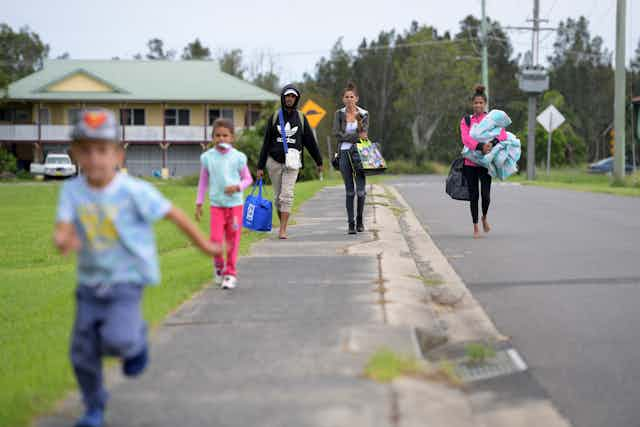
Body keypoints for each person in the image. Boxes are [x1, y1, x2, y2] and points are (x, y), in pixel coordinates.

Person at [54, 109, 220, 427]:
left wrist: (204, 245)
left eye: (102, 151)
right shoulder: (72, 190)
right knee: (82, 355)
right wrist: (63, 240)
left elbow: (174, 214)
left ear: (117, 154)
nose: (94, 159)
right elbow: (63, 226)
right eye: (85, 151)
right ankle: (94, 405)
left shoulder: (132, 190)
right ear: (75, 154)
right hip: (88, 286)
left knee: (118, 340)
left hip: (126, 282)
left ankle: (136, 342)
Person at [257, 84, 323, 239]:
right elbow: (266, 142)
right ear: (283, 97)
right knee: (278, 198)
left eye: (293, 96)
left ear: (297, 98)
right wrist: (260, 166)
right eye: (287, 96)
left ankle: (283, 229)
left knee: (287, 195)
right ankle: (282, 224)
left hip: (293, 162)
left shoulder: (301, 117)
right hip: (274, 161)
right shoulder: (274, 117)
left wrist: (319, 161)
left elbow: (310, 142)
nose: (290, 99)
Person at [195, 118, 253, 290]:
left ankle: (230, 273)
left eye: (225, 135)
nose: (221, 139)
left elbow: (248, 179)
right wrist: (199, 203)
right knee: (215, 239)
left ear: (232, 138)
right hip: (216, 205)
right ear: (212, 137)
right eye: (217, 135)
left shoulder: (238, 157)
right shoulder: (207, 158)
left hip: (235, 205)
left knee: (233, 240)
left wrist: (237, 187)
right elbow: (203, 181)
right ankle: (219, 266)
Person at [460, 85, 508, 238]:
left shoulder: (491, 119)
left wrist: (491, 144)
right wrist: (480, 146)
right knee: (474, 195)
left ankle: (484, 217)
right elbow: (466, 139)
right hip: (470, 164)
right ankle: (475, 226)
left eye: (481, 103)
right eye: (476, 103)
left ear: (485, 104)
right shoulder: (466, 120)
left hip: (486, 163)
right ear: (472, 104)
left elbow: (502, 134)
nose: (478, 105)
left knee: (486, 195)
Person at [332, 82, 369, 234]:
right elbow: (336, 134)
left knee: (360, 191)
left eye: (351, 96)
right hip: (344, 154)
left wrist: (348, 137)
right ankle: (351, 224)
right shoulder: (339, 114)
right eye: (346, 97)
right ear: (343, 99)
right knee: (349, 191)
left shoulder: (364, 114)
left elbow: (364, 135)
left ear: (357, 98)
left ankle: (360, 220)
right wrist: (354, 137)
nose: (349, 99)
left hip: (360, 154)